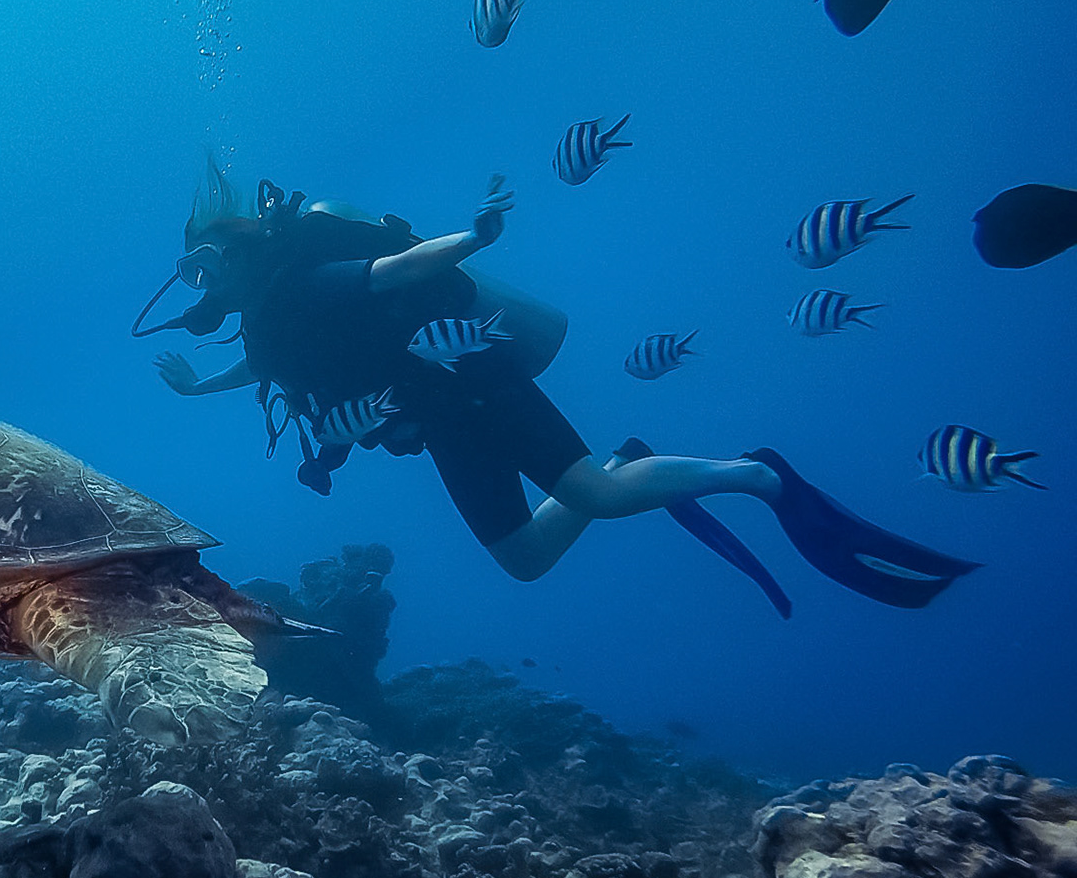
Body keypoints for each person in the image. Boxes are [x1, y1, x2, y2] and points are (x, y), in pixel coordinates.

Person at [135, 164, 977, 611]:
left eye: (206, 260)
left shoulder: (307, 287)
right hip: (437, 416)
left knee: (598, 497)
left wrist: (473, 236)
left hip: (471, 375)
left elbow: (397, 268)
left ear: (242, 252)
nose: (199, 279)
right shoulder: (268, 323)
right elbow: (274, 366)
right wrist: (197, 389)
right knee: (526, 560)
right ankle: (631, 463)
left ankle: (761, 474)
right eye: (189, 267)